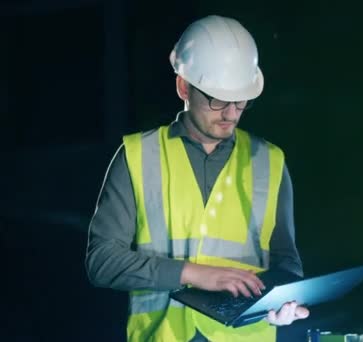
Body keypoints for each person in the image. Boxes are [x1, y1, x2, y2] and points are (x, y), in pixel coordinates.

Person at [85, 15, 309, 342]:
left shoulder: (270, 160)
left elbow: (286, 263)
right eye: (217, 100)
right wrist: (193, 274)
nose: (231, 113)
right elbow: (101, 262)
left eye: (241, 101)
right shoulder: (136, 155)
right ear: (183, 87)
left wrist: (284, 301)